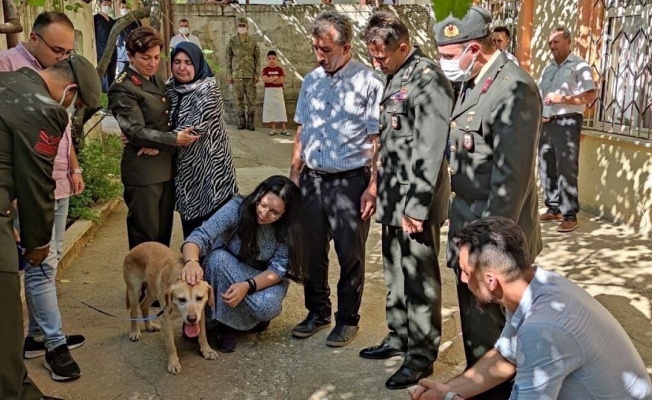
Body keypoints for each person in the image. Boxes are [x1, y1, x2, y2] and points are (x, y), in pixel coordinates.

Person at [408, 217, 652, 400]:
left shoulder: (542, 328)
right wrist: (448, 390)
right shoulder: (536, 285)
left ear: (491, 281)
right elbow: (506, 357)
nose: (462, 279)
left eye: (465, 272)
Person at [434, 6, 543, 399]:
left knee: (499, 337)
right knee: (475, 329)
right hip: (469, 226)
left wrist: (484, 257)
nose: (444, 64)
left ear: (474, 48)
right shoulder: (473, 81)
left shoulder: (514, 88)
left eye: (448, 56)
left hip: (494, 238)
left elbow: (509, 185)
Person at [358, 12, 453, 390]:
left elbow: (430, 149)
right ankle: (399, 336)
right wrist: (375, 185)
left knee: (420, 277)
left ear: (402, 46)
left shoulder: (427, 79)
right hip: (394, 192)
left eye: (382, 56)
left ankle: (421, 356)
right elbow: (390, 141)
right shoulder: (395, 76)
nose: (376, 63)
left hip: (417, 198)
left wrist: (415, 205)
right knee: (396, 271)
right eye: (373, 56)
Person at [0, 54, 101, 399]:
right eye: (77, 104)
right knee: (7, 319)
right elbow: (36, 182)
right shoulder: (46, 108)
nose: (71, 110)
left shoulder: (9, 82)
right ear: (70, 91)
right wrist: (37, 243)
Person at [289, 10, 383, 348]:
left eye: (326, 49)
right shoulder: (312, 80)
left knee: (350, 255)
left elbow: (377, 141)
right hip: (313, 181)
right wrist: (294, 176)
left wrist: (372, 186)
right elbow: (302, 130)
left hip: (351, 183)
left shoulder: (370, 83)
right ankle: (318, 312)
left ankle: (347, 320)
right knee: (311, 252)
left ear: (346, 46)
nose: (320, 56)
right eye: (316, 47)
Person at [180, 176, 304, 352]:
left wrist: (248, 286)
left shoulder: (288, 228)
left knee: (267, 307)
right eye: (262, 204)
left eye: (274, 212)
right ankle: (225, 326)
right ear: (258, 196)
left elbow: (278, 268)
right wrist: (192, 261)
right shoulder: (237, 208)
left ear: (286, 214)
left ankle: (236, 322)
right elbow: (201, 235)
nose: (264, 213)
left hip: (263, 277)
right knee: (217, 260)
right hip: (226, 268)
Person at [108, 26, 199, 250]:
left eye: (157, 57)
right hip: (143, 171)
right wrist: (172, 140)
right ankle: (141, 286)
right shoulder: (123, 88)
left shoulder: (156, 78)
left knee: (162, 236)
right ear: (130, 56)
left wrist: (158, 143)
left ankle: (158, 285)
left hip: (165, 166)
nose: (152, 63)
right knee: (146, 240)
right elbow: (136, 132)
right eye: (145, 58)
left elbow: (163, 120)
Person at [167, 42, 238, 238]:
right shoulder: (170, 88)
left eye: (188, 62)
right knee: (191, 234)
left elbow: (193, 130)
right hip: (185, 177)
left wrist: (154, 143)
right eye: (177, 62)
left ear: (198, 64)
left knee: (213, 236)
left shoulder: (208, 90)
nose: (182, 67)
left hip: (211, 174)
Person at [537, 27, 596, 233]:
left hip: (568, 121)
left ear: (568, 42)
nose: (552, 46)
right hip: (546, 122)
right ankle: (554, 208)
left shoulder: (580, 66)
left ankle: (570, 215)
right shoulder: (548, 69)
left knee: (566, 169)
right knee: (546, 166)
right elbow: (539, 93)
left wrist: (562, 99)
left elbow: (589, 96)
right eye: (550, 43)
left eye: (556, 42)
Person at [226, 17, 260, 131]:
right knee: (238, 99)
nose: (241, 27)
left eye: (243, 25)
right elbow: (228, 58)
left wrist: (257, 74)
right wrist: (229, 74)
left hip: (250, 75)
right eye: (240, 25)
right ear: (237, 27)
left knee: (252, 99)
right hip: (237, 76)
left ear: (247, 27)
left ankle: (250, 122)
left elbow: (257, 58)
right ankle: (241, 121)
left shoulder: (252, 41)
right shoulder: (232, 41)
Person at [261, 50, 289, 136]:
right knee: (272, 109)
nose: (271, 60)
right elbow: (265, 79)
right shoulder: (265, 69)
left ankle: (284, 129)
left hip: (278, 91)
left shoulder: (279, 69)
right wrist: (275, 78)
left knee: (281, 109)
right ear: (267, 59)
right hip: (269, 92)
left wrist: (271, 79)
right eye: (270, 58)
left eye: (273, 58)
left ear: (276, 59)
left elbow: (281, 81)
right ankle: (273, 129)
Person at [94, 0, 117, 92]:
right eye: (104, 4)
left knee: (111, 76)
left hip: (113, 52)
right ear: (99, 5)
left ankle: (111, 94)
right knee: (103, 77)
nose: (107, 7)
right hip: (101, 52)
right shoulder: (96, 19)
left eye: (109, 5)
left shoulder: (112, 21)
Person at [116, 0, 141, 74]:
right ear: (119, 9)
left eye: (126, 7)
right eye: (122, 7)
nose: (124, 9)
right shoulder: (117, 23)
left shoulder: (136, 23)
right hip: (120, 55)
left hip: (133, 54)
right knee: (122, 75)